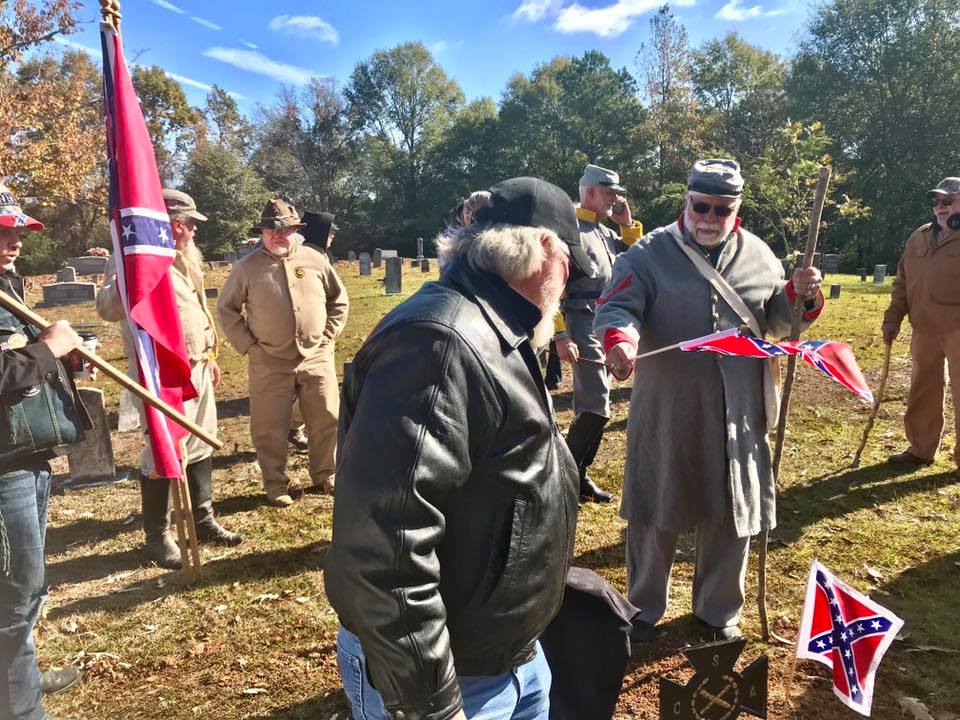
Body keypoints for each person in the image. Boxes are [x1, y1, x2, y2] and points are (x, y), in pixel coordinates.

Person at [325, 177, 589, 720]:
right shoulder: (439, 343)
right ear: (541, 251)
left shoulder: (500, 328)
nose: (568, 285)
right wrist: (433, 707)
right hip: (451, 679)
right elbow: (385, 548)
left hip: (506, 658)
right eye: (569, 263)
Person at [594, 159, 824, 641]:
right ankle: (642, 609)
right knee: (656, 508)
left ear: (736, 210)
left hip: (740, 406)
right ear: (687, 202)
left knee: (733, 511)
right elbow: (616, 306)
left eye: (723, 208)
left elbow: (779, 323)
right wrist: (620, 342)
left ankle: (719, 612)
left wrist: (800, 297)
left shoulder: (760, 255)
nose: (710, 216)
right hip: (668, 405)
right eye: (702, 205)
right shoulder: (648, 253)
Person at [97, 189, 242, 569]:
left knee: (200, 443)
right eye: (191, 224)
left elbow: (197, 309)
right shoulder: (132, 256)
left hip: (196, 365)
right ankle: (157, 535)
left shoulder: (187, 257)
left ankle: (202, 518)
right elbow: (108, 310)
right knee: (161, 451)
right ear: (173, 223)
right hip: (160, 372)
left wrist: (210, 354)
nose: (194, 231)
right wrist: (129, 274)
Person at [0, 183, 85, 720]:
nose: (15, 242)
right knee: (13, 593)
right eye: (3, 232)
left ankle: (21, 670)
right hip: (2, 471)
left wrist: (62, 361)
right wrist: (46, 350)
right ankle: (21, 707)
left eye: (16, 231)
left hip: (26, 458)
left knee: (25, 587)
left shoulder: (7, 284)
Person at [217, 199, 348, 506]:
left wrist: (327, 337)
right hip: (269, 360)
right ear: (262, 233)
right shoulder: (246, 268)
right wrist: (249, 346)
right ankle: (275, 483)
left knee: (326, 417)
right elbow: (227, 310)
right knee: (268, 426)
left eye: (284, 229)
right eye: (269, 230)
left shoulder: (315, 261)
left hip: (316, 355)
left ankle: (325, 473)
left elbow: (338, 301)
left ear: (295, 230)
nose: (277, 236)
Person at [553, 164, 644, 503]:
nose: (615, 200)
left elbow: (636, 263)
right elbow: (553, 287)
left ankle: (577, 476)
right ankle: (563, 477)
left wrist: (627, 227)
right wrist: (560, 335)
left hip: (606, 322)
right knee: (595, 405)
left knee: (598, 405)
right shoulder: (567, 231)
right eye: (609, 193)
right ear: (589, 192)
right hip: (579, 322)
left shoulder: (607, 234)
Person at [883, 177, 960, 478]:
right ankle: (921, 448)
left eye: (948, 201)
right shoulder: (919, 236)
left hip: (958, 329)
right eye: (937, 202)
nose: (940, 207)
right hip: (924, 328)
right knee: (923, 389)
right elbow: (903, 281)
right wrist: (893, 317)